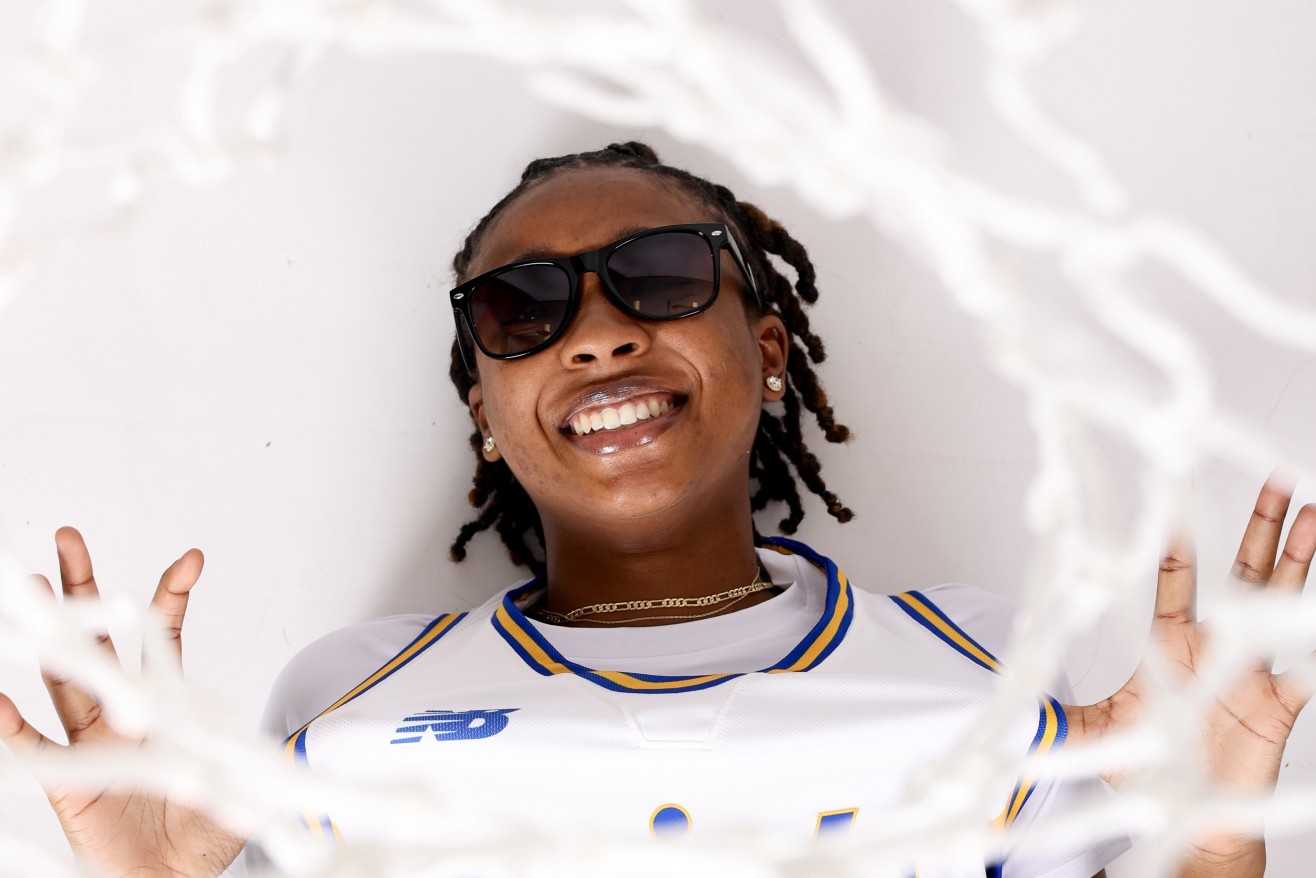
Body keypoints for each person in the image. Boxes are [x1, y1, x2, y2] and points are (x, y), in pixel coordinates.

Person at [0, 142, 1311, 878]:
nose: (599, 333)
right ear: (484, 407)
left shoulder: (986, 667)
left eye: (661, 275)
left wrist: (1214, 830)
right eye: (522, 309)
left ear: (774, 348)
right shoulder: (343, 697)